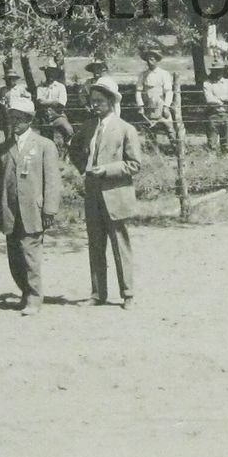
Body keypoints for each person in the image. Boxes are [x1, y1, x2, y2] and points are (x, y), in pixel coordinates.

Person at [0, 86, 61, 316]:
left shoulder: (44, 146)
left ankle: (34, 297)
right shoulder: (4, 148)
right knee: (14, 256)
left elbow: (52, 180)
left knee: (30, 254)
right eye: (12, 118)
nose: (15, 122)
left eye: (20, 118)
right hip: (9, 209)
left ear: (30, 120)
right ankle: (24, 291)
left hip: (33, 210)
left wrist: (49, 209)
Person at [80, 76, 142, 308]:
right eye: (92, 100)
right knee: (95, 245)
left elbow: (134, 164)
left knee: (120, 246)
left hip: (115, 195)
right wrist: (85, 169)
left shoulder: (126, 129)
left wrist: (107, 169)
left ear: (111, 101)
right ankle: (98, 293)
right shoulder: (88, 127)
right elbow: (75, 148)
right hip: (93, 194)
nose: (95, 104)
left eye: (100, 100)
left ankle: (128, 294)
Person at [137, 48, 179, 152]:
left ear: (156, 60)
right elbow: (138, 91)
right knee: (150, 128)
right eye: (147, 59)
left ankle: (176, 149)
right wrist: (140, 106)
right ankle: (152, 151)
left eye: (152, 59)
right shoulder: (143, 75)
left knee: (169, 127)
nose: (149, 61)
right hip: (148, 105)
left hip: (161, 105)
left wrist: (166, 106)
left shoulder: (164, 74)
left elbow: (168, 91)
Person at [35, 64, 74, 155]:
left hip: (58, 116)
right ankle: (51, 155)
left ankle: (67, 152)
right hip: (44, 117)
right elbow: (40, 102)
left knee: (69, 131)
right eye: (48, 72)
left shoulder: (60, 87)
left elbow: (61, 103)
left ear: (55, 73)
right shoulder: (40, 87)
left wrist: (47, 102)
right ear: (45, 73)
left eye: (52, 72)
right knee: (46, 139)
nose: (50, 74)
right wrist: (54, 102)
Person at [202, 63, 228, 154]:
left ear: (223, 71)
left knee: (226, 143)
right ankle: (211, 160)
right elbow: (209, 99)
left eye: (220, 70)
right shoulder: (207, 83)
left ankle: (225, 159)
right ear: (212, 71)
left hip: (226, 114)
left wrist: (220, 98)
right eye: (215, 70)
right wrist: (223, 101)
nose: (218, 72)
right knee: (212, 142)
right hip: (213, 115)